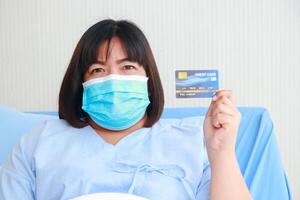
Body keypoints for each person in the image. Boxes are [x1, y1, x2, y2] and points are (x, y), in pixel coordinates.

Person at [0, 19, 252, 200]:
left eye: (128, 67)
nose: (113, 78)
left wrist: (221, 152)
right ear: (82, 83)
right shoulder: (39, 142)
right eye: (98, 69)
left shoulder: (193, 142)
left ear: (148, 79)